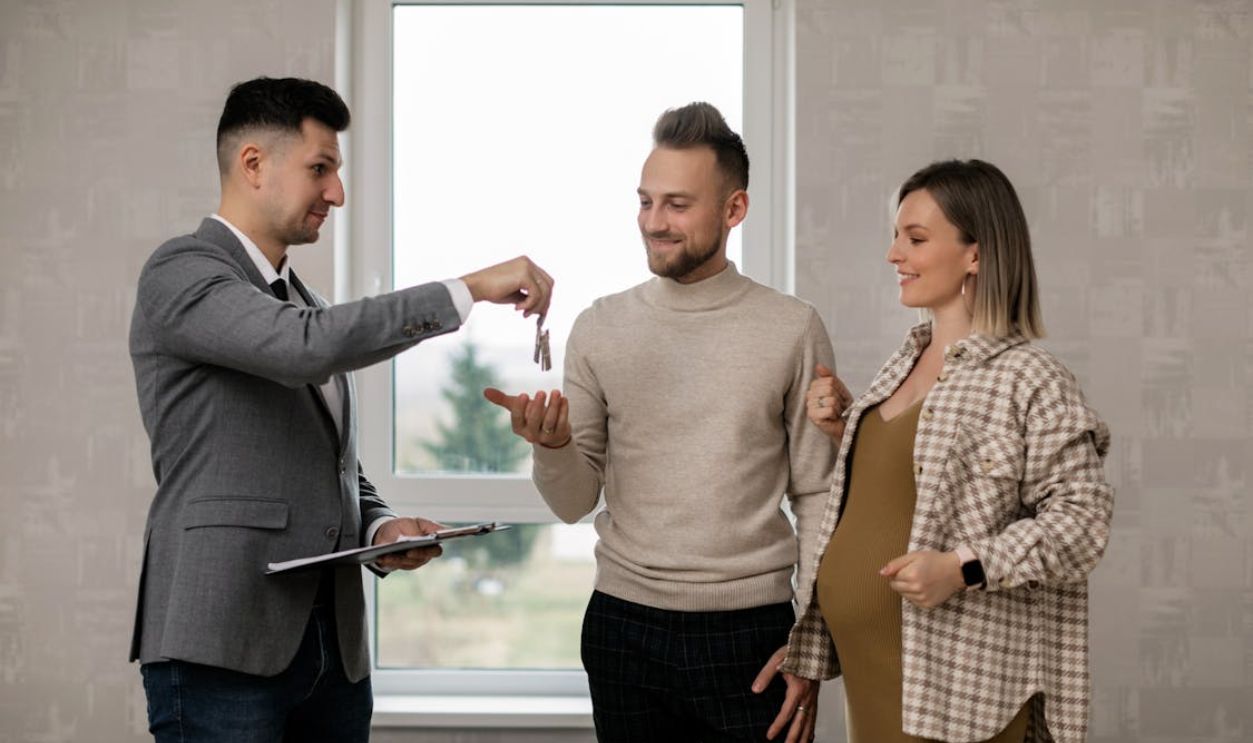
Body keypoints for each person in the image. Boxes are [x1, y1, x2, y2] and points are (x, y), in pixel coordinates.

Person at [128, 76, 553, 743]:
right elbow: (305, 349)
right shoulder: (182, 272)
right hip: (222, 645)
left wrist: (380, 528)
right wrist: (467, 289)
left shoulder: (308, 302)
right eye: (320, 169)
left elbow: (330, 465)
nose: (337, 193)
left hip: (333, 657)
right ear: (253, 165)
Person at [485, 103, 847, 743]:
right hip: (624, 628)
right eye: (646, 202)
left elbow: (818, 492)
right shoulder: (601, 327)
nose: (655, 223)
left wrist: (813, 640)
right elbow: (573, 502)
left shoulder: (791, 327)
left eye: (677, 205)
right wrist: (553, 447)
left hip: (753, 632)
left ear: (734, 210)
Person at [783, 159, 1113, 743]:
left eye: (915, 239)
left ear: (976, 255)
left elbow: (1082, 524)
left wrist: (964, 569)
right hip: (876, 678)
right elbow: (915, 487)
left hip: (960, 693)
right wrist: (849, 431)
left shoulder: (1031, 378)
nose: (893, 255)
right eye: (895, 237)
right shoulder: (904, 361)